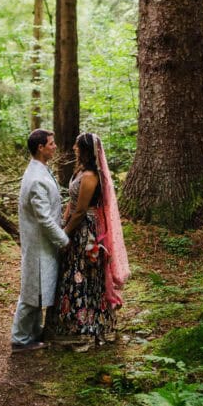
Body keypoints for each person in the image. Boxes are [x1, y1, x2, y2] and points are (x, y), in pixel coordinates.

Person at [47, 131, 130, 344]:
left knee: (83, 272)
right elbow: (72, 204)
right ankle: (68, 323)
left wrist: (65, 235)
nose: (74, 148)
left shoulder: (91, 176)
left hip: (86, 230)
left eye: (77, 145)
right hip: (74, 225)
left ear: (85, 149)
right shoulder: (80, 171)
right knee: (72, 271)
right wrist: (63, 224)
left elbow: (82, 210)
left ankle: (88, 327)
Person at [11, 128, 70, 352]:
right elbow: (44, 219)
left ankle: (32, 334)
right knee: (31, 292)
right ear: (40, 147)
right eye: (52, 144)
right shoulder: (36, 178)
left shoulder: (40, 170)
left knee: (36, 290)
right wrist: (63, 240)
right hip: (38, 242)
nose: (55, 147)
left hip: (42, 242)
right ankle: (19, 339)